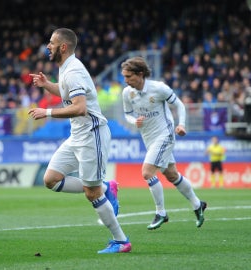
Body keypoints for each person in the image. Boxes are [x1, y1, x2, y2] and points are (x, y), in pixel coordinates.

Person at [28, 28, 131, 254]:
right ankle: (107, 187)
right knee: (51, 179)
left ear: (63, 47)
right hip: (77, 135)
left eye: (51, 43)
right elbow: (68, 95)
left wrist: (46, 113)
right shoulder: (66, 68)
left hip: (91, 134)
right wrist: (48, 85)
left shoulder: (73, 70)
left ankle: (121, 241)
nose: (47, 46)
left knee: (91, 193)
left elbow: (80, 108)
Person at [120, 56, 207, 230]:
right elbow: (127, 114)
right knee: (171, 174)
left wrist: (181, 124)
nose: (126, 80)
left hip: (165, 134)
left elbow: (180, 105)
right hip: (148, 138)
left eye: (129, 76)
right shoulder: (127, 93)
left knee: (147, 172)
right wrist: (133, 121)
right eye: (125, 76)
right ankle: (198, 205)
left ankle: (161, 213)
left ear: (141, 74)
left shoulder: (159, 88)